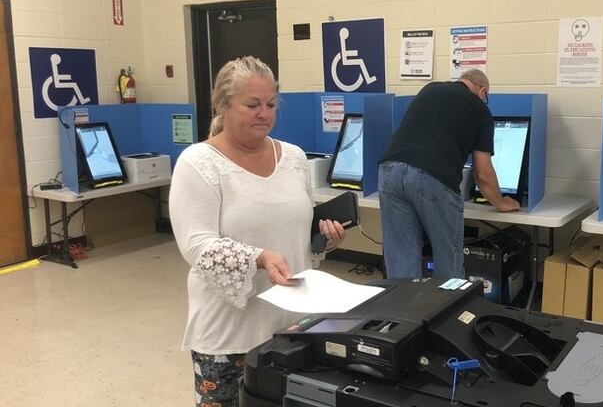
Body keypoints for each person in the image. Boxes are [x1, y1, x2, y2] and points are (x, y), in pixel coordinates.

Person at [169, 56, 346, 407]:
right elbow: (197, 246)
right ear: (222, 106)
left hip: (292, 327)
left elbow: (299, 230)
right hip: (230, 334)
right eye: (252, 105)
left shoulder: (293, 158)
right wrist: (259, 258)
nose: (264, 113)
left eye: (270, 104)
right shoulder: (198, 163)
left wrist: (323, 238)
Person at [378, 68, 520, 280]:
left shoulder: (430, 89)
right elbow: (483, 173)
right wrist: (501, 203)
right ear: (482, 91)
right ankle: (450, 310)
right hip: (432, 177)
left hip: (389, 171)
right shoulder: (480, 111)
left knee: (400, 260)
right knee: (449, 262)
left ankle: (402, 310)